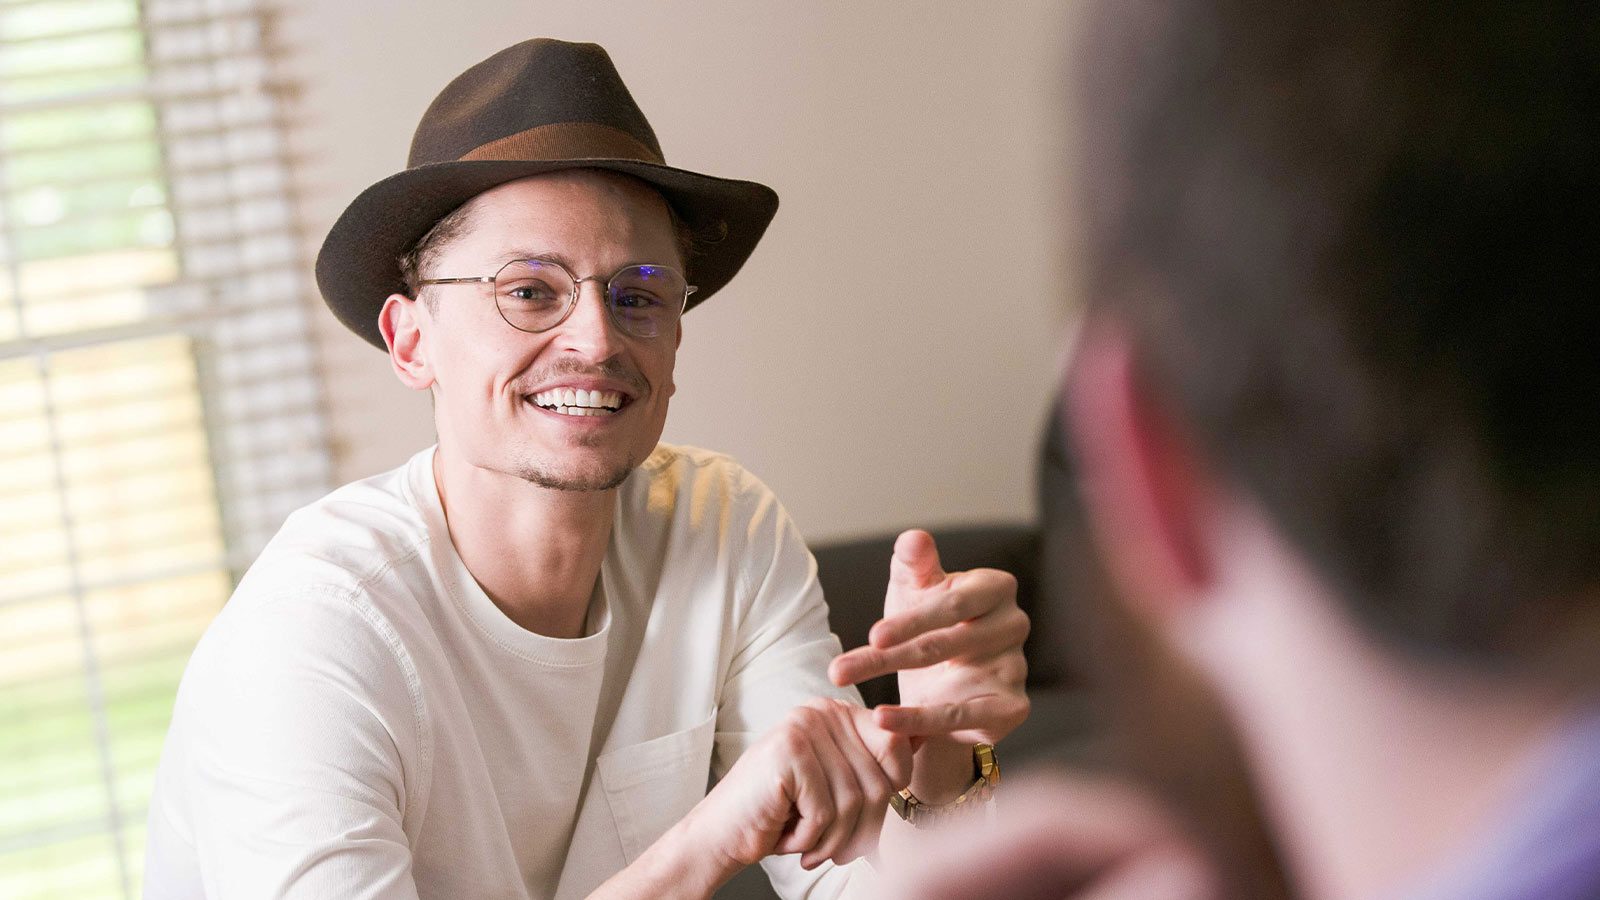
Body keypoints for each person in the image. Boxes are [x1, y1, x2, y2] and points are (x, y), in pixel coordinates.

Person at [143, 39, 1029, 900]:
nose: (597, 340)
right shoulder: (315, 636)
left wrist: (948, 751)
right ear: (412, 341)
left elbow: (848, 878)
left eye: (637, 295)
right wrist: (712, 836)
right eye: (529, 291)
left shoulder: (722, 524)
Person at [890, 1, 1600, 898]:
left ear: (1140, 459)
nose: (647, 336)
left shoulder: (742, 532)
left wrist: (942, 795)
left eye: (655, 295)